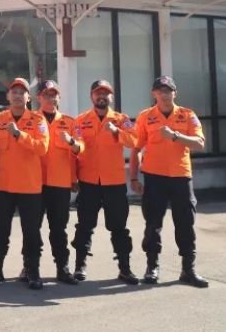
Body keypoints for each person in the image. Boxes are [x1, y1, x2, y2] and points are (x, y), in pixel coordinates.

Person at [130, 76, 208, 287]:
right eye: (160, 91)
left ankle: (188, 269)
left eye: (168, 91)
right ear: (154, 94)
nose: (164, 95)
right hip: (154, 177)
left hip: (181, 176)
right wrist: (134, 177)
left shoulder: (187, 115)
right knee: (152, 224)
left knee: (185, 223)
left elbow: (200, 143)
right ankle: (152, 267)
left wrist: (175, 136)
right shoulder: (145, 117)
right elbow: (136, 148)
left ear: (175, 93)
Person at [0, 78, 49, 290]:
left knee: (31, 233)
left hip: (30, 186)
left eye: (22, 92)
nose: (18, 95)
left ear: (28, 97)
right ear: (8, 96)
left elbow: (42, 148)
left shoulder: (38, 120)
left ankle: (32, 272)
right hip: (4, 186)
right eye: (14, 92)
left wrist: (20, 135)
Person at [71, 79, 138, 284]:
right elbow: (76, 148)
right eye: (98, 93)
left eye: (105, 93)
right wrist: (73, 177)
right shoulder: (81, 120)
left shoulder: (121, 119)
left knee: (119, 227)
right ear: (91, 96)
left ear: (111, 97)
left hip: (114, 182)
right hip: (89, 181)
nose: (101, 96)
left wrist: (117, 131)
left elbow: (135, 141)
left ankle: (125, 268)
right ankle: (80, 265)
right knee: (84, 225)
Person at [34, 80, 85, 285]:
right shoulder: (30, 120)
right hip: (34, 183)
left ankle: (62, 268)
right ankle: (30, 267)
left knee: (59, 229)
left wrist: (71, 142)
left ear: (59, 98)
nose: (50, 98)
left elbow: (80, 149)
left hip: (60, 184)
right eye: (46, 94)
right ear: (39, 98)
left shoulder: (70, 122)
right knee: (32, 228)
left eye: (54, 95)